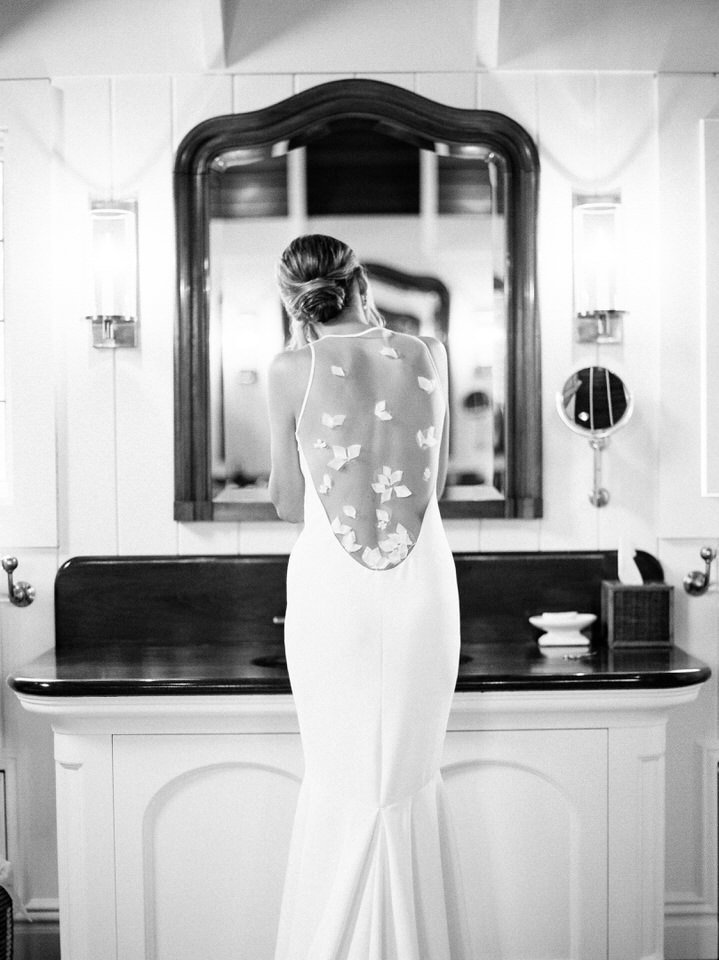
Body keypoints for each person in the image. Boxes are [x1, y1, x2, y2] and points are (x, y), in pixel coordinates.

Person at [268, 234, 470, 960]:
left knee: (342, 777)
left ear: (295, 300)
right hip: (421, 590)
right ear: (359, 282)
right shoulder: (428, 355)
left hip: (333, 594)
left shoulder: (290, 369)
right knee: (406, 778)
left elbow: (288, 503)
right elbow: (434, 485)